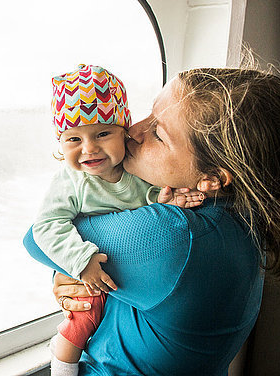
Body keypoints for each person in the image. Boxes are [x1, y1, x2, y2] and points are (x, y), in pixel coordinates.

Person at [24, 67, 280, 375]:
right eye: (150, 113)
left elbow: (35, 239)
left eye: (159, 134)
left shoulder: (175, 236)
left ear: (212, 178)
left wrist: (66, 267)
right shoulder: (240, 215)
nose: (133, 130)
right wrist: (68, 274)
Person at [33, 64, 202, 376]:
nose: (89, 148)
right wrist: (78, 261)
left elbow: (148, 202)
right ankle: (61, 367)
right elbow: (45, 226)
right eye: (73, 139)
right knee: (80, 324)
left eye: (103, 133)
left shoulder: (137, 169)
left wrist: (167, 200)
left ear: (124, 131)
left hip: (123, 274)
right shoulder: (71, 181)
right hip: (91, 270)